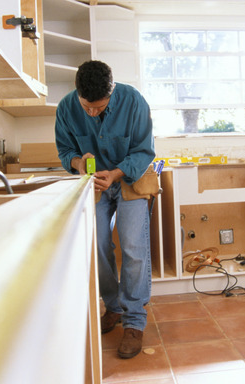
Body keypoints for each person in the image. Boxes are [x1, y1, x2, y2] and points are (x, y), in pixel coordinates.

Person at [55, 60, 155, 359]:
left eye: (99, 107)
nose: (92, 113)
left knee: (133, 245)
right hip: (94, 183)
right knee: (97, 245)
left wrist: (116, 173)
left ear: (111, 93)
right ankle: (112, 307)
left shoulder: (133, 100)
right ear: (78, 94)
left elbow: (144, 150)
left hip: (129, 177)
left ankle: (134, 320)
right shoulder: (66, 108)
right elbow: (65, 151)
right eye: (87, 107)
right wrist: (77, 162)